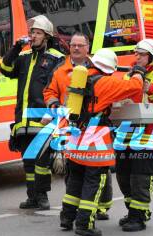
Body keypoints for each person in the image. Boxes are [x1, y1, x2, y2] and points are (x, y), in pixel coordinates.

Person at [58, 48, 145, 236]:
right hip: (94, 140)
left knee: (76, 179)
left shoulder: (79, 76)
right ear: (110, 68)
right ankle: (84, 225)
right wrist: (138, 72)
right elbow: (135, 87)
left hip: (75, 137)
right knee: (94, 181)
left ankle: (67, 217)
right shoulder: (107, 82)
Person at [42, 32, 113, 220]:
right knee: (74, 170)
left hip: (92, 126)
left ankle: (99, 207)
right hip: (68, 126)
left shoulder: (97, 67)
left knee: (97, 170)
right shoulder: (60, 70)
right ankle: (76, 210)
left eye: (80, 45)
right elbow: (49, 91)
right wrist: (54, 106)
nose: (75, 48)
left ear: (87, 48)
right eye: (73, 45)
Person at [0, 15, 65, 210]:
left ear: (46, 36)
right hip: (23, 119)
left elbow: (60, 87)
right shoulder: (23, 56)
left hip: (43, 118)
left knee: (41, 161)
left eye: (37, 33)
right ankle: (32, 197)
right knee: (28, 160)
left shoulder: (56, 57)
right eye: (32, 32)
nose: (33, 36)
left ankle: (42, 196)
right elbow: (4, 69)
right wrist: (16, 47)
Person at [115, 38, 153, 232]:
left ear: (152, 56)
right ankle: (134, 211)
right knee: (123, 177)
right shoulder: (130, 75)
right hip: (127, 135)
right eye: (137, 53)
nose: (137, 57)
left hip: (150, 137)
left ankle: (138, 217)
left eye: (141, 54)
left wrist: (149, 87)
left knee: (140, 179)